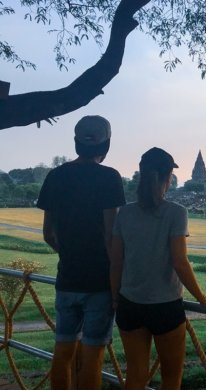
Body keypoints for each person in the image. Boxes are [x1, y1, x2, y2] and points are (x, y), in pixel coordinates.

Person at [110, 147, 206, 390]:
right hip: (165, 306)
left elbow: (116, 261)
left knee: (136, 377)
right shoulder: (176, 213)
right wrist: (201, 298)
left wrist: (115, 297)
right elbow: (179, 261)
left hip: (129, 304)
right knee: (171, 378)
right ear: (168, 178)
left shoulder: (124, 213)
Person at [37, 115, 126, 390]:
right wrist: (115, 287)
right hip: (99, 281)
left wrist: (69, 253)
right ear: (106, 144)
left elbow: (48, 233)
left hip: (67, 278)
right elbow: (111, 236)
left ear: (76, 142)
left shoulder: (56, 176)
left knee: (62, 352)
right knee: (93, 357)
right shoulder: (109, 177)